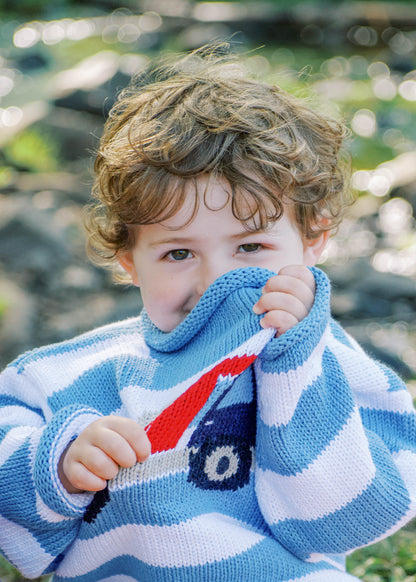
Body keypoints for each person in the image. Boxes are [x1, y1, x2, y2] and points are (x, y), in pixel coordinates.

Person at [0, 42, 415, 582]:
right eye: (178, 253)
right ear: (129, 262)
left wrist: (295, 365)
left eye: (251, 249)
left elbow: (342, 525)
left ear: (313, 242)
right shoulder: (63, 376)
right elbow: (19, 528)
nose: (218, 283)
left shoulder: (335, 366)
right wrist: (58, 465)